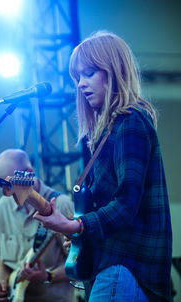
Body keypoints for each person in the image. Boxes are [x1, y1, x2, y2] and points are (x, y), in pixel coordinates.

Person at [33, 31, 172, 302]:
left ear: (114, 70)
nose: (81, 85)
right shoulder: (111, 130)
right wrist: (79, 231)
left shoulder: (129, 122)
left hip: (123, 267)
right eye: (77, 78)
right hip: (116, 267)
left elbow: (126, 205)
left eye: (89, 73)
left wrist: (77, 226)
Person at [0, 148, 75, 302]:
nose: (5, 193)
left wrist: (48, 276)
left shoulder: (61, 205)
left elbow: (78, 262)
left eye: (9, 185)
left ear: (29, 172)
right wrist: (1, 281)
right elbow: (1, 258)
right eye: (1, 186)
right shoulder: (1, 208)